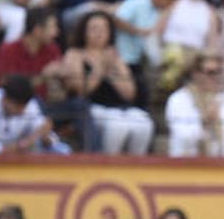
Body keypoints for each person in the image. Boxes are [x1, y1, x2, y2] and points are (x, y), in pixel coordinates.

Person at [61, 9, 155, 154]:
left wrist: (112, 73)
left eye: (104, 28)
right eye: (94, 28)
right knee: (117, 126)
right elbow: (81, 91)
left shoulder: (115, 56)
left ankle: (136, 168)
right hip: (92, 108)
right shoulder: (75, 54)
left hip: (119, 108)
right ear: (84, 31)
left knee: (143, 123)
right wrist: (100, 68)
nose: (99, 33)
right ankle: (108, 164)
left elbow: (130, 93)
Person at [0, 75, 63, 154]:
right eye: (17, 106)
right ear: (5, 98)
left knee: (62, 150)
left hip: (15, 162)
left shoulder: (29, 105)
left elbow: (44, 132)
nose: (22, 111)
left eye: (24, 106)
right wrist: (19, 146)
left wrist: (46, 138)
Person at [155, 0, 219, 91]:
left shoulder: (210, 12)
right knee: (174, 56)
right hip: (169, 50)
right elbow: (157, 31)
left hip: (195, 55)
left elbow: (212, 44)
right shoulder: (174, 4)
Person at [166, 51, 224, 157]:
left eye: (218, 72)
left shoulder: (221, 100)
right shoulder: (178, 99)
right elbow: (183, 137)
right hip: (185, 164)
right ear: (195, 73)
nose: (215, 77)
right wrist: (205, 121)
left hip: (218, 165)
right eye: (210, 72)